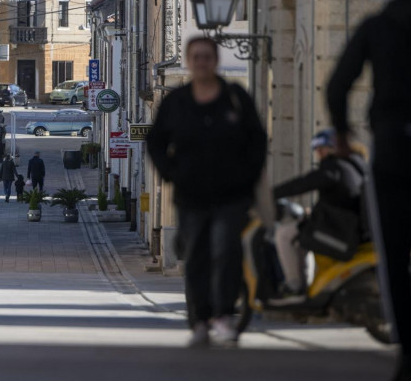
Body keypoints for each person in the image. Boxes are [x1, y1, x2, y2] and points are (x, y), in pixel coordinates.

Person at [147, 37, 267, 348]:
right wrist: (171, 173)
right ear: (189, 60)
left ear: (215, 60)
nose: (201, 62)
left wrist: (248, 176)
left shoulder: (234, 97)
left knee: (227, 250)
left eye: (207, 57)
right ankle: (200, 320)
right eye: (196, 57)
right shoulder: (177, 102)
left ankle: (224, 314)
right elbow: (156, 141)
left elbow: (257, 140)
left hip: (232, 194)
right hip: (191, 195)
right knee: (197, 256)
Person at [326, 0, 411, 381]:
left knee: (394, 251)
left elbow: (339, 84)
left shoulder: (378, 27)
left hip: (394, 147)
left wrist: (341, 133)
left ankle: (406, 348)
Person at [272, 129, 368, 300]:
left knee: (283, 234)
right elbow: (337, 198)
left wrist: (270, 194)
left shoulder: (334, 167)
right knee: (300, 233)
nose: (320, 153)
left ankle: (294, 285)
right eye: (317, 149)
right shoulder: (356, 165)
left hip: (338, 229)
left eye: (323, 148)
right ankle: (304, 284)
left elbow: (302, 184)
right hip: (346, 225)